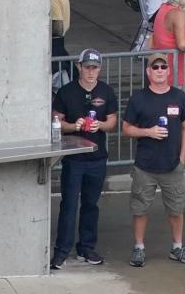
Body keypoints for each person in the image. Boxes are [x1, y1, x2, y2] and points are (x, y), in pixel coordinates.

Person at [124, 54, 185, 266]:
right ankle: (139, 248)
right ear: (148, 72)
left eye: (163, 66)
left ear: (168, 71)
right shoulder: (138, 98)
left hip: (173, 166)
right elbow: (126, 129)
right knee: (140, 209)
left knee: (176, 209)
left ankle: (177, 247)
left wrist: (182, 158)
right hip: (145, 166)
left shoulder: (179, 97)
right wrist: (148, 132)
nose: (159, 70)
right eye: (155, 67)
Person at [50, 49, 119, 270]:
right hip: (73, 158)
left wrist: (100, 125)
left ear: (100, 68)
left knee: (91, 204)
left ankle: (86, 247)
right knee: (69, 205)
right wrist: (73, 126)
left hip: (97, 157)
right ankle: (61, 251)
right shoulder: (66, 92)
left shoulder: (106, 91)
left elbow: (112, 122)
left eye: (95, 67)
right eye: (87, 67)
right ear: (79, 66)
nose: (91, 72)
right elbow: (55, 122)